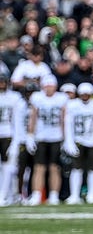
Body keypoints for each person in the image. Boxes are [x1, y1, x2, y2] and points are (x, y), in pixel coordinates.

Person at [24, 75, 68, 206]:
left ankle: (54, 195)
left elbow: (64, 119)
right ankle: (37, 195)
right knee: (39, 168)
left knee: (55, 168)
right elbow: (33, 117)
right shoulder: (37, 98)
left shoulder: (61, 98)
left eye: (51, 85)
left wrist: (66, 138)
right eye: (47, 85)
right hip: (41, 137)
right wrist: (30, 135)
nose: (49, 88)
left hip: (56, 137)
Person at [63, 83, 93, 204]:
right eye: (82, 94)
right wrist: (69, 141)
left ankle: (92, 195)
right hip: (78, 140)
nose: (85, 96)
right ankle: (74, 195)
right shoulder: (72, 105)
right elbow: (68, 124)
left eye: (87, 94)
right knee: (76, 168)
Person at [0, 73, 27, 206]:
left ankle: (5, 195)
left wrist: (16, 140)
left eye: (3, 82)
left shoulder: (14, 98)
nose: (1, 85)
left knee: (9, 167)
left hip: (8, 134)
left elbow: (18, 121)